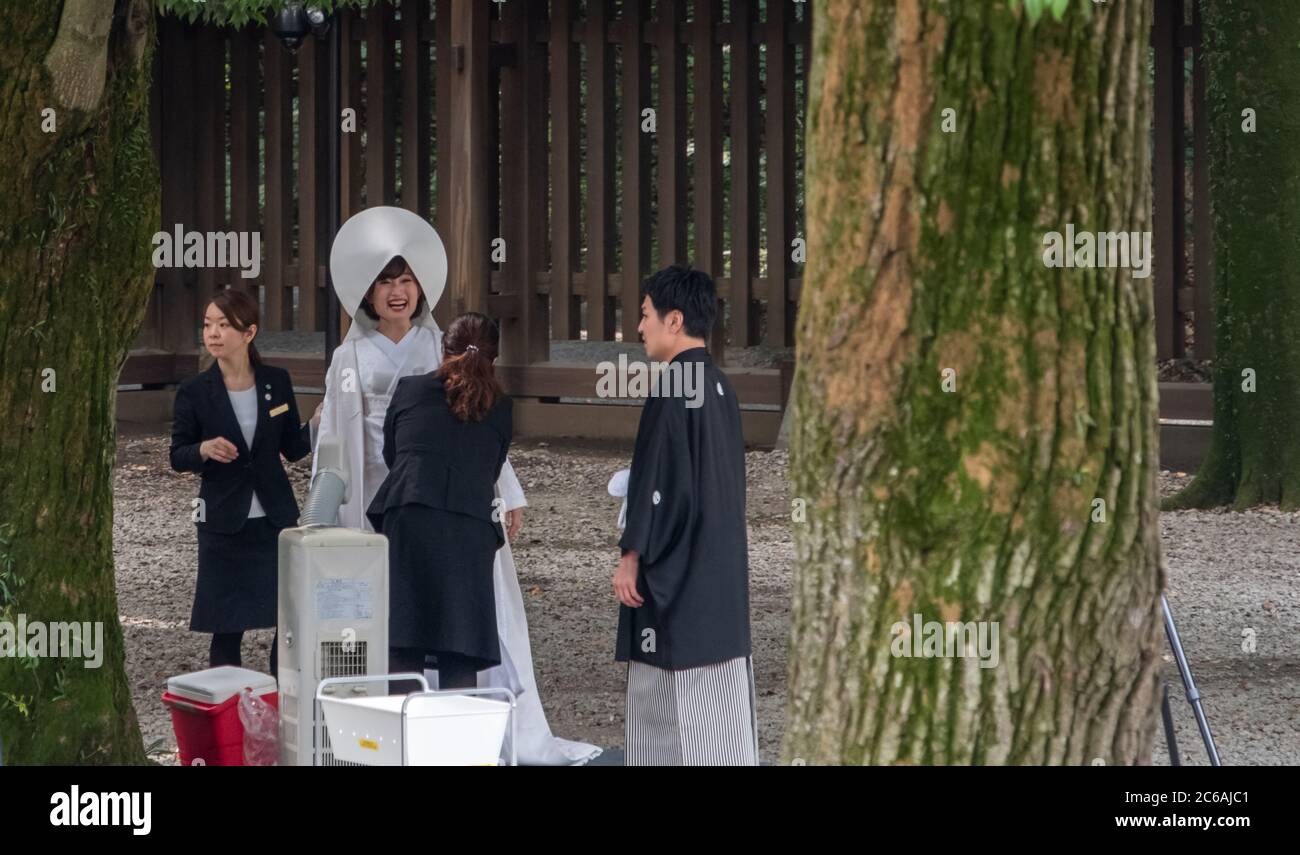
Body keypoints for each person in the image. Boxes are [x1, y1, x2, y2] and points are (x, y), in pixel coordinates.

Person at [313, 206, 600, 764]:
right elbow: (333, 435)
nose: (398, 292)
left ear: (420, 287)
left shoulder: (435, 345)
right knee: (393, 616)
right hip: (380, 493)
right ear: (367, 293)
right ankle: (393, 737)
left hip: (439, 488)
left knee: (457, 608)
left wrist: (507, 490)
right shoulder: (347, 356)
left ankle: (462, 735)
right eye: (385, 282)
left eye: (406, 280)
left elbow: (478, 423)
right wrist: (325, 508)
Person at [613, 265, 758, 765]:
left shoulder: (674, 386)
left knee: (668, 711)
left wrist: (632, 554)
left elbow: (657, 484)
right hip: (720, 575)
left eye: (646, 314)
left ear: (674, 320)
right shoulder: (719, 387)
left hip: (679, 578)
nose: (640, 327)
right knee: (722, 717)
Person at [366, 313, 511, 693]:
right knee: (460, 642)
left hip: (410, 511)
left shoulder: (411, 389)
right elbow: (491, 468)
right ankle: (454, 746)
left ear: (443, 350)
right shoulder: (500, 406)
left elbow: (392, 453)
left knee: (404, 634)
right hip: (470, 523)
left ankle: (401, 742)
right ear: (493, 358)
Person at [170, 289, 310, 675]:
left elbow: (294, 449)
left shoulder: (276, 382)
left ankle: (284, 705)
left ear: (249, 333)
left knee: (288, 622)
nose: (213, 333)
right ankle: (228, 715)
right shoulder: (195, 391)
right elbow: (177, 455)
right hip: (222, 521)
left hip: (274, 520)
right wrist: (204, 449)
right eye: (207, 324)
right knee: (227, 627)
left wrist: (321, 421)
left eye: (224, 325)